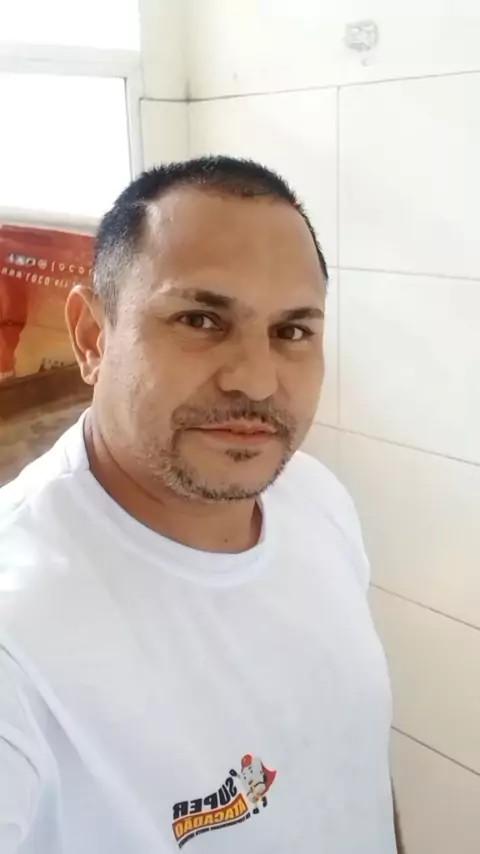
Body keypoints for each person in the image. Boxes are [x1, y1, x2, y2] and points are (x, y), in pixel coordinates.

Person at [0, 157, 401, 853]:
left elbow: (357, 756)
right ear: (93, 337)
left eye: (292, 331)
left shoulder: (317, 499)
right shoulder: (18, 634)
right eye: (200, 319)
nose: (256, 380)